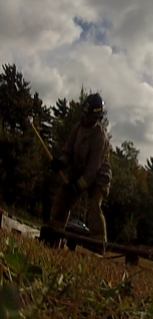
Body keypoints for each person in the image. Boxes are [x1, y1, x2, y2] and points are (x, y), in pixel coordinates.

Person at [49, 93, 113, 242]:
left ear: (97, 118)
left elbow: (93, 169)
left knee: (93, 206)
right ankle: (55, 233)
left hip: (98, 177)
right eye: (84, 114)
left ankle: (98, 242)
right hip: (79, 171)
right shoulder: (76, 129)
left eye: (89, 116)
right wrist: (60, 162)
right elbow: (68, 152)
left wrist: (78, 186)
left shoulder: (100, 137)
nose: (86, 118)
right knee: (63, 198)